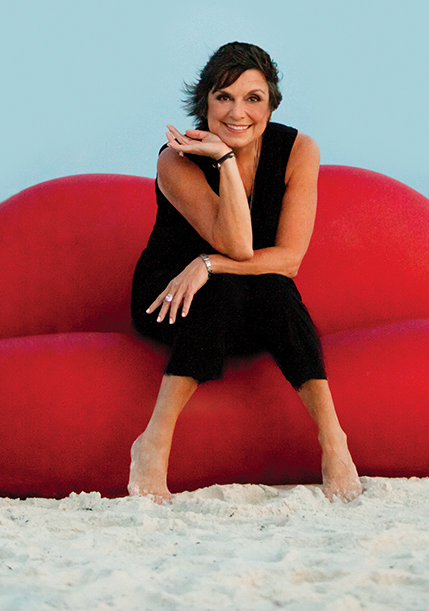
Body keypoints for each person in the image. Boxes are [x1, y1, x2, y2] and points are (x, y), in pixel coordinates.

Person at [128, 42, 362, 504]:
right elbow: (238, 243)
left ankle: (335, 442)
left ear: (271, 105)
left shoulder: (298, 151)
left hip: (242, 293)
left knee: (274, 287)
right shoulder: (176, 158)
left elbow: (289, 259)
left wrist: (207, 264)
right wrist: (225, 161)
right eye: (224, 97)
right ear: (205, 104)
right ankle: (153, 443)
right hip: (171, 297)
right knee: (226, 290)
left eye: (253, 98)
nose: (239, 112)